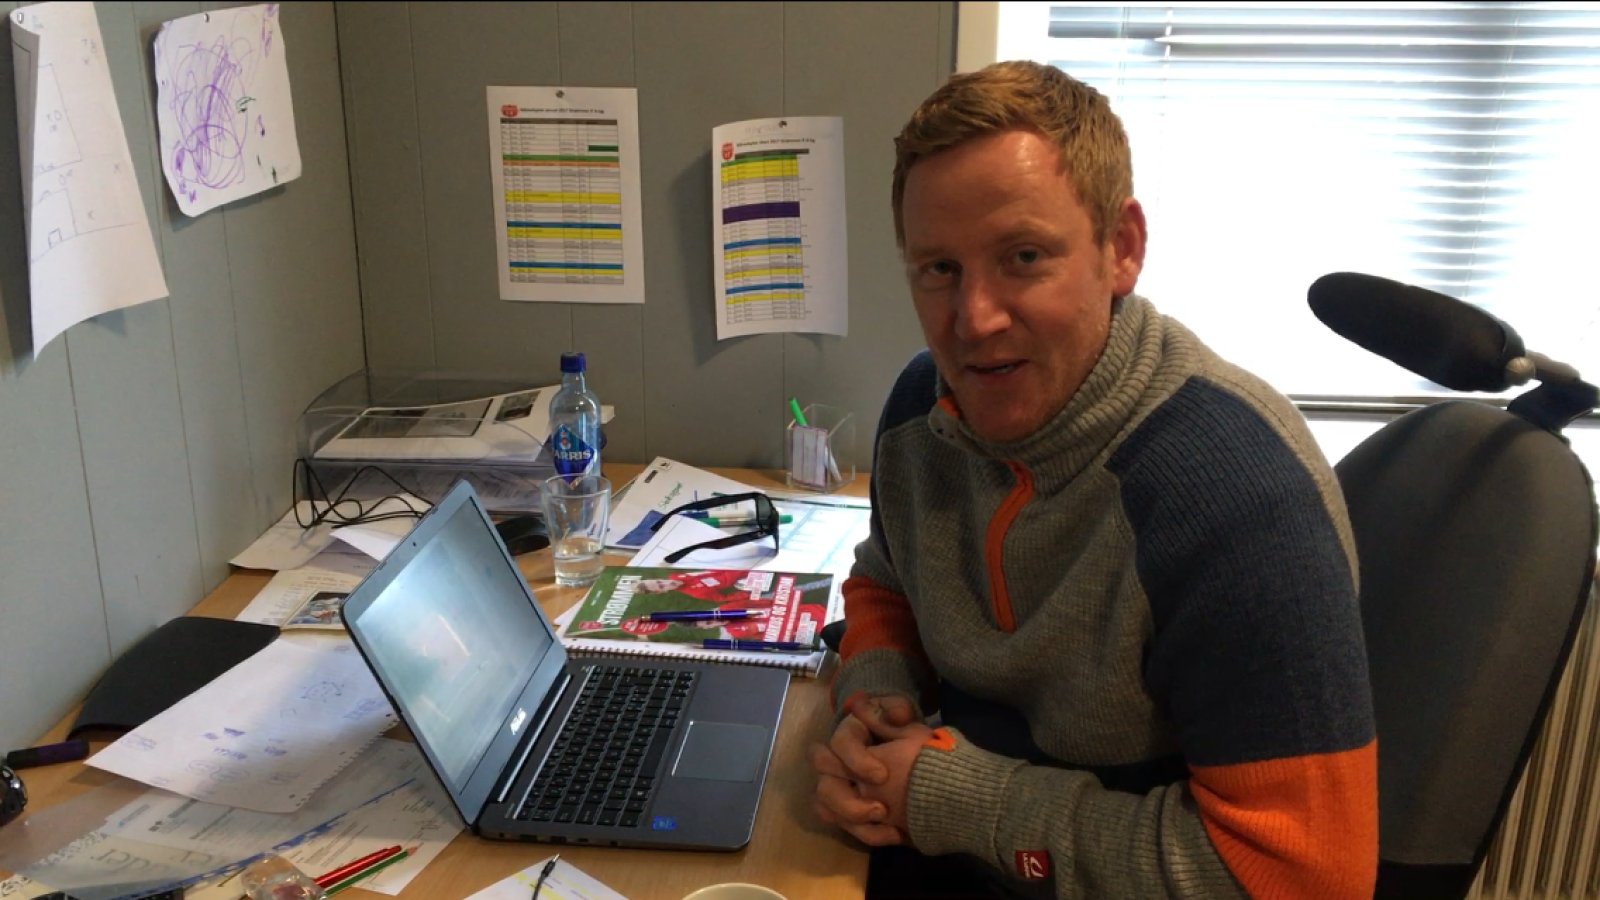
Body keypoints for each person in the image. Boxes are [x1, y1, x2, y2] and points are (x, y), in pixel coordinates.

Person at [809, 60, 1377, 899]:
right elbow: (887, 581)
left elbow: (1302, 879)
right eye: (939, 269)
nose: (974, 320)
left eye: (1023, 256)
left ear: (1122, 248)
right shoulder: (922, 410)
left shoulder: (1235, 500)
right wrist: (875, 689)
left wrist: (955, 799)